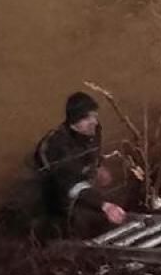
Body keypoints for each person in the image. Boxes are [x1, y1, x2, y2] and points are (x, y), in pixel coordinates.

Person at [32, 92, 129, 240]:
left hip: (79, 181)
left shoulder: (94, 129)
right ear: (74, 123)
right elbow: (72, 186)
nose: (94, 122)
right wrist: (104, 205)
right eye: (88, 118)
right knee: (81, 218)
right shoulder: (56, 146)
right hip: (58, 190)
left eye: (95, 116)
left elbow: (93, 152)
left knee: (115, 200)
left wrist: (98, 166)